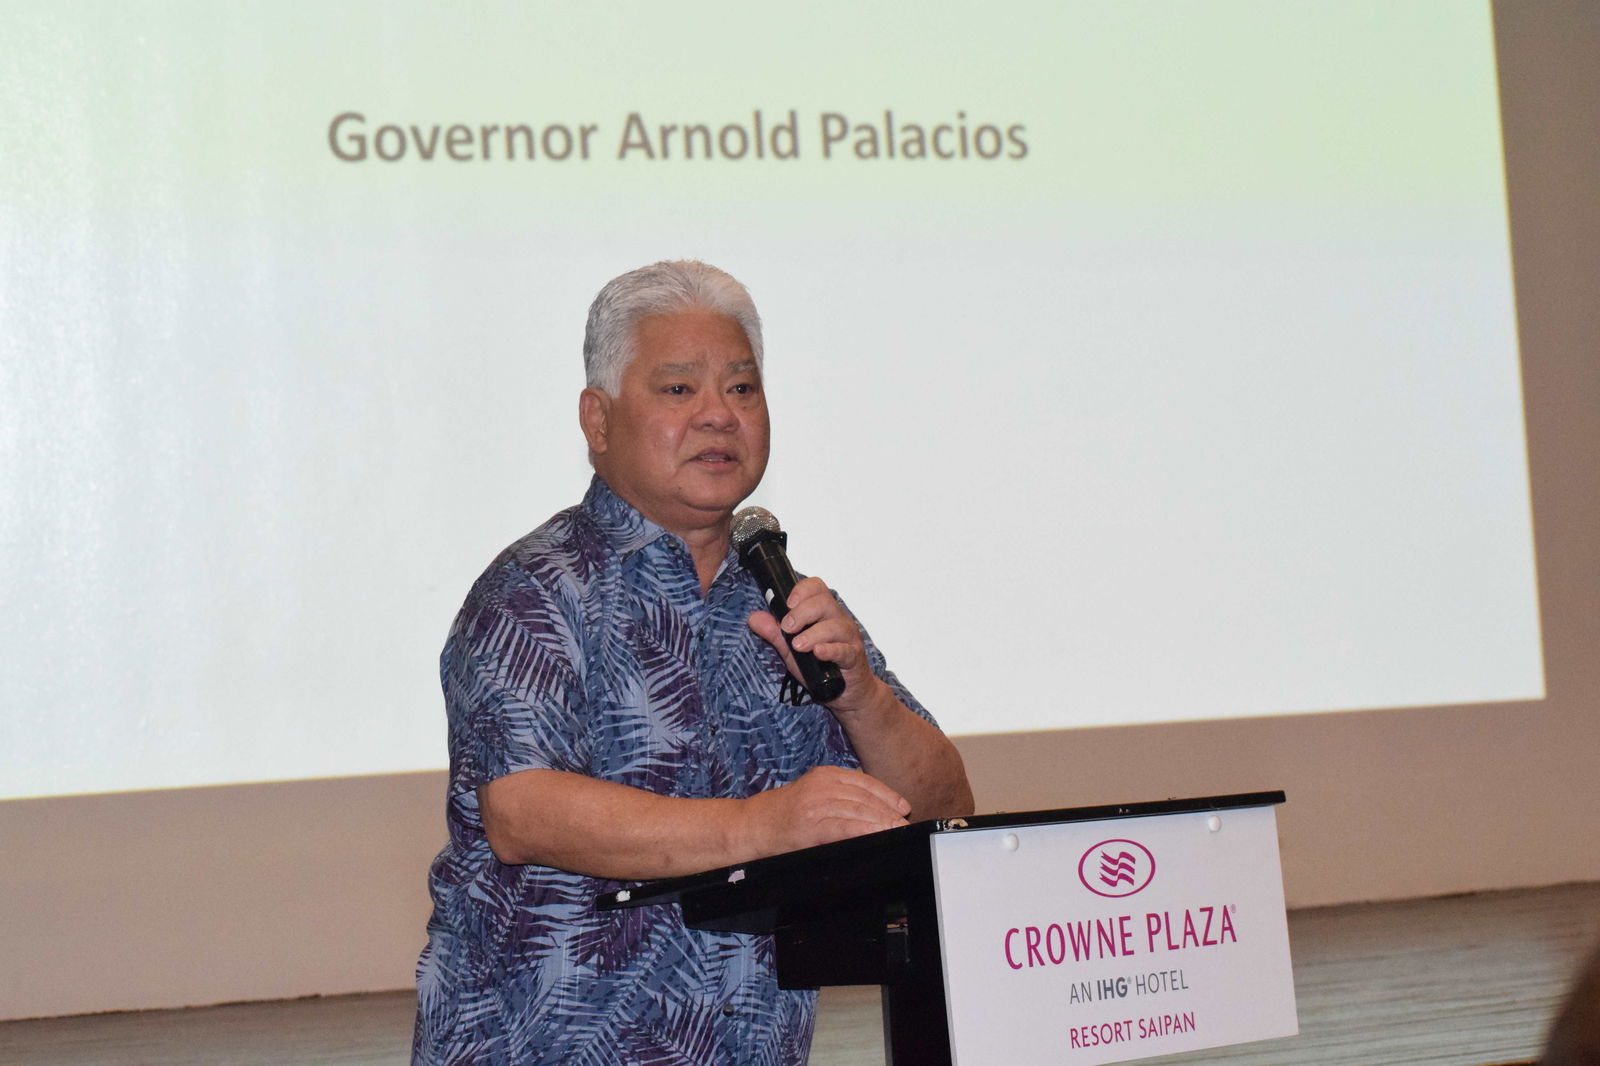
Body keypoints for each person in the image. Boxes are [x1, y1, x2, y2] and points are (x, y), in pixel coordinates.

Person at [413, 260, 974, 1065]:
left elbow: (945, 807)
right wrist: (767, 825)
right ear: (597, 420)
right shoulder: (535, 591)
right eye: (679, 390)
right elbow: (521, 813)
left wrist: (863, 701)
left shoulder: (787, 601)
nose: (719, 415)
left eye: (742, 390)